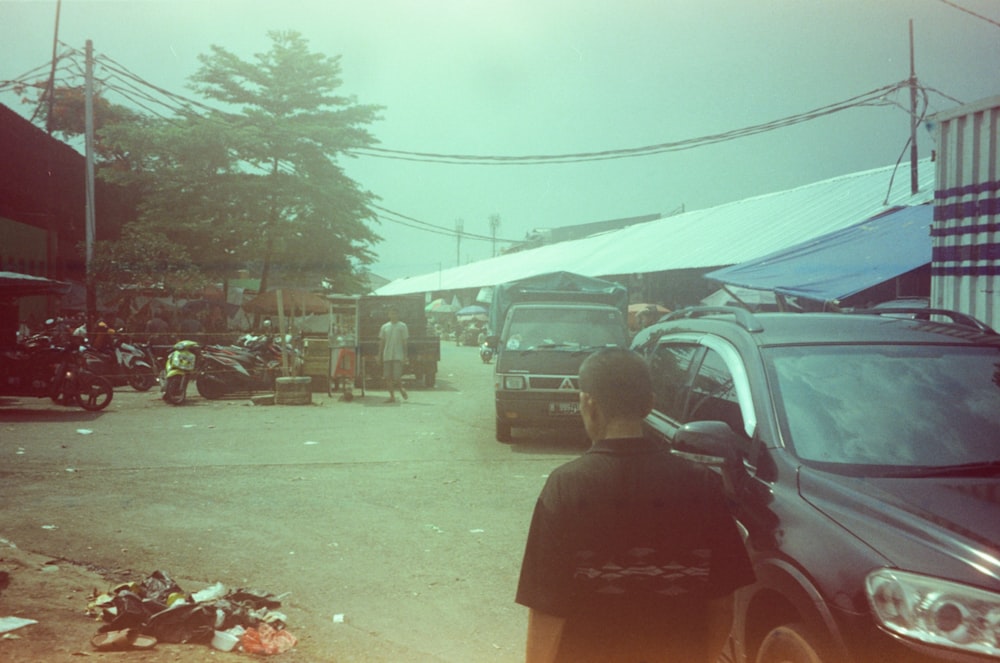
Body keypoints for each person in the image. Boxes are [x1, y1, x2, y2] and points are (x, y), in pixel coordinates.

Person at [516, 347, 754, 663]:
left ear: (588, 403)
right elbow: (722, 601)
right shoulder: (703, 484)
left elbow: (548, 611)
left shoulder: (566, 487)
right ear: (649, 404)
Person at [377, 306, 408, 403]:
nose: (393, 315)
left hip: (398, 355)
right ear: (388, 315)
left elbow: (405, 342)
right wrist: (379, 355)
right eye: (391, 313)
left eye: (395, 313)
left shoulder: (402, 326)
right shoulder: (385, 327)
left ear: (398, 315)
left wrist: (405, 356)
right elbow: (381, 342)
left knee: (396, 376)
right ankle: (392, 396)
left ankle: (401, 388)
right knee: (387, 377)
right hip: (387, 355)